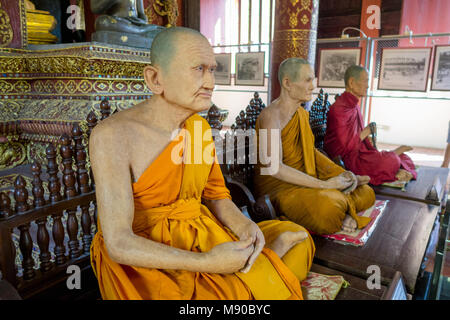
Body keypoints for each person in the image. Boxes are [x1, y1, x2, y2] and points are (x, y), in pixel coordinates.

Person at [89, 27, 315, 300]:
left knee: (300, 236)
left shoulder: (199, 128)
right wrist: (208, 262)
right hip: (149, 259)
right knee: (231, 296)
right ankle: (260, 265)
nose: (210, 82)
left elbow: (217, 197)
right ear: (155, 78)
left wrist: (244, 227)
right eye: (198, 69)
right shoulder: (112, 135)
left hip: (202, 233)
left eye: (212, 70)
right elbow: (118, 243)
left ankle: (256, 264)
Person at [254, 58, 375, 236]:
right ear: (288, 83)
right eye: (308, 80)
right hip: (279, 189)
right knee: (331, 206)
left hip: (304, 181)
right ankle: (342, 214)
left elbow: (311, 153)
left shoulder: (301, 114)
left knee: (365, 192)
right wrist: (323, 185)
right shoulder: (270, 117)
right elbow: (275, 168)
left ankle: (343, 214)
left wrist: (340, 175)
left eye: (313, 80)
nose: (313, 87)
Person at [324, 65, 417, 186]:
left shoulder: (354, 106)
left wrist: (366, 140)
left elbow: (355, 139)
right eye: (365, 80)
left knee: (405, 158)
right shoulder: (338, 109)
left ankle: (395, 159)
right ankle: (394, 160)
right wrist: (365, 132)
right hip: (348, 160)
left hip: (358, 153)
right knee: (391, 161)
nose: (367, 86)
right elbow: (342, 149)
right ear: (352, 82)